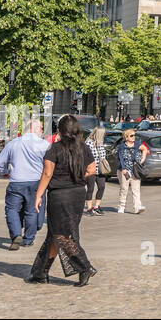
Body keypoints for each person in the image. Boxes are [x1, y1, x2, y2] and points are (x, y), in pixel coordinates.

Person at [28, 115, 97, 286]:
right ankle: (40, 272)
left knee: (61, 234)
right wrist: (77, 176)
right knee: (55, 234)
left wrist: (38, 195)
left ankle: (84, 266)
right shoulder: (84, 148)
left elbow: (47, 173)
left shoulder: (55, 148)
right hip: (78, 194)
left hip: (60, 196)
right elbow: (92, 169)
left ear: (60, 130)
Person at [0, 120, 51, 250]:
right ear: (34, 128)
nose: (42, 131)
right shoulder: (44, 145)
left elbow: (0, 163)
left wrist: (4, 173)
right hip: (36, 182)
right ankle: (28, 239)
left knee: (12, 209)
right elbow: (50, 164)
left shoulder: (13, 143)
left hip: (16, 181)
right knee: (31, 211)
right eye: (41, 128)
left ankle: (16, 235)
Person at [116, 126, 150, 214]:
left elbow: (145, 149)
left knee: (136, 189)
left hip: (135, 170)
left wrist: (142, 159)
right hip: (124, 171)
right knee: (124, 189)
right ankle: (121, 206)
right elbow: (120, 158)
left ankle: (137, 207)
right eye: (131, 136)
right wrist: (123, 169)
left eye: (134, 135)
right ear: (126, 137)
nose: (133, 137)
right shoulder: (121, 147)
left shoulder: (138, 144)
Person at [84, 126, 110, 216]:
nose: (104, 135)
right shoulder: (89, 143)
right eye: (103, 133)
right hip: (91, 169)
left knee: (101, 187)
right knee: (90, 188)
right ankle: (89, 208)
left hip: (100, 169)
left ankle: (96, 206)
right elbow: (85, 156)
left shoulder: (101, 143)